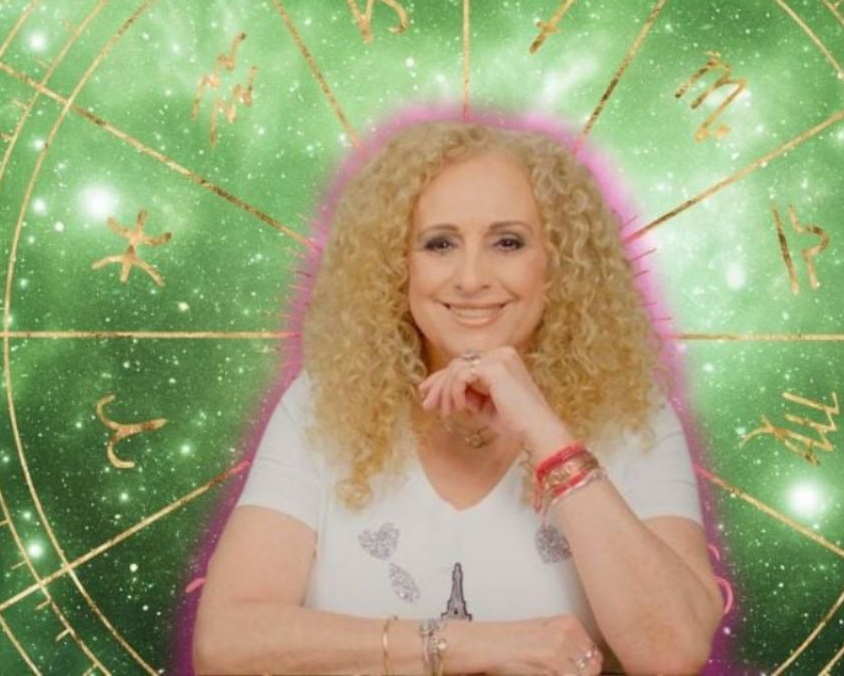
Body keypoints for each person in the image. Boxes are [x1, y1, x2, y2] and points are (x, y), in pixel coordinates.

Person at [192, 117, 722, 675]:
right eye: (439, 244)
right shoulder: (320, 406)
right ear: (397, 266)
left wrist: (546, 434)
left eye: (507, 242)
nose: (471, 279)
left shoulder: (632, 413)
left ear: (558, 264)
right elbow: (225, 645)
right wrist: (462, 645)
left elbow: (673, 653)